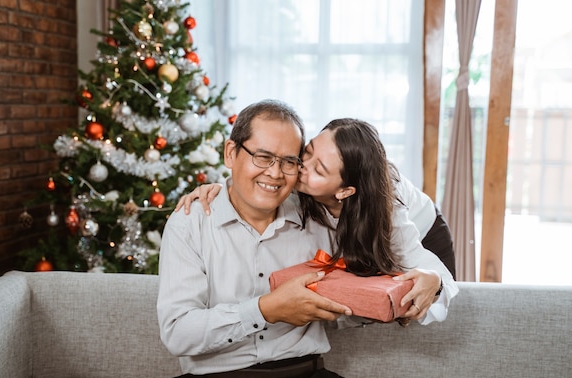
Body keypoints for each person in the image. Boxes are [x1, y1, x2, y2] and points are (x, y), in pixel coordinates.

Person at [157, 99, 361, 378]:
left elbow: (357, 296)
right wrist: (266, 310)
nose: (275, 174)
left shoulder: (318, 217)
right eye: (263, 157)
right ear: (230, 153)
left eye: (289, 162)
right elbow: (178, 333)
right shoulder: (191, 221)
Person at [177, 119, 458, 322]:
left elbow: (440, 278)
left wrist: (436, 281)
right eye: (308, 152)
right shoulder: (304, 185)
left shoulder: (388, 212)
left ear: (345, 191)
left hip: (425, 231)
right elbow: (255, 181)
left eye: (318, 169)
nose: (300, 168)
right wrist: (220, 190)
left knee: (412, 302)